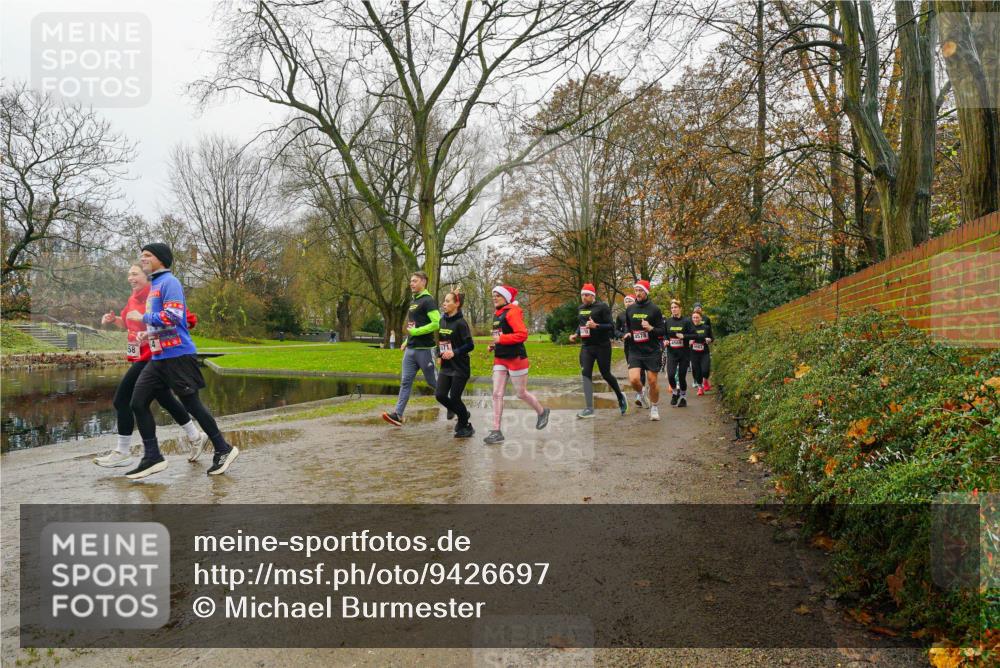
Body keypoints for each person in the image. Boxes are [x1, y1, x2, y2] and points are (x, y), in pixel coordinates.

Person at [125, 243, 239, 479]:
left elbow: (176, 317)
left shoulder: (170, 282)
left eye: (147, 256)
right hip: (159, 358)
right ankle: (152, 457)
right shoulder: (155, 284)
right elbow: (166, 324)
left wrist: (143, 316)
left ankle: (223, 448)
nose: (142, 259)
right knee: (137, 402)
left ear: (161, 259)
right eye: (142, 255)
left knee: (192, 404)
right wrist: (149, 333)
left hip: (178, 356)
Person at [92, 264, 207, 468]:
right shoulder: (133, 298)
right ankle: (195, 435)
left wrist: (157, 332)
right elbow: (129, 323)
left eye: (135, 274)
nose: (130, 278)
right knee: (165, 399)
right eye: (128, 274)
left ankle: (124, 451)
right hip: (145, 358)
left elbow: (186, 319)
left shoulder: (158, 294)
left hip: (155, 357)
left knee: (122, 400)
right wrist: (114, 320)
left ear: (147, 278)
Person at [484, 285, 550, 444]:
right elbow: (500, 335)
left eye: (498, 295)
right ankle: (496, 430)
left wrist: (502, 340)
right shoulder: (496, 313)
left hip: (516, 358)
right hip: (500, 357)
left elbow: (522, 334)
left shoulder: (512, 312)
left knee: (520, 393)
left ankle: (542, 412)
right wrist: (495, 344)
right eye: (493, 295)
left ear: (506, 298)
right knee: (496, 394)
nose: (494, 297)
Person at [382, 272, 440, 426]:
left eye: (414, 281)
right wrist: (408, 340)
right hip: (411, 350)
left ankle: (454, 403)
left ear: (423, 282)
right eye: (411, 281)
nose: (411, 284)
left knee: (433, 382)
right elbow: (415, 324)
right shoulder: (414, 301)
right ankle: (398, 415)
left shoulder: (428, 301)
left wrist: (415, 333)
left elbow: (436, 323)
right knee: (405, 382)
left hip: (425, 350)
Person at [569, 283, 627, 418]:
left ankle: (620, 396)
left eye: (587, 295)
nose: (584, 297)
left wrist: (596, 326)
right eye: (582, 294)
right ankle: (589, 408)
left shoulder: (602, 307)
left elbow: (611, 327)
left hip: (602, 346)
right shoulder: (581, 308)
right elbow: (581, 324)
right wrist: (576, 334)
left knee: (606, 374)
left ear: (593, 295)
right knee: (585, 374)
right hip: (587, 346)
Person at [624, 280, 666, 421]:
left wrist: (651, 328)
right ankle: (642, 395)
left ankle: (654, 407)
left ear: (646, 292)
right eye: (636, 290)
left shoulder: (654, 309)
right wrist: (627, 333)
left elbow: (662, 330)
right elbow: (627, 327)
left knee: (652, 381)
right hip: (635, 350)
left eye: (640, 290)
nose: (638, 293)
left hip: (651, 350)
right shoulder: (630, 309)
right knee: (634, 380)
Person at [435, 291, 475, 438]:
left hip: (460, 366)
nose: (444, 304)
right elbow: (441, 340)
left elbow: (470, 345)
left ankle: (466, 425)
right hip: (446, 366)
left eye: (447, 301)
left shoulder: (461, 323)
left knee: (455, 398)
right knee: (440, 395)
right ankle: (462, 413)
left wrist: (455, 352)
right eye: (444, 301)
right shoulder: (442, 320)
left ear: (456, 304)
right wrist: (440, 355)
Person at [664, 299, 695, 408]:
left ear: (680, 308)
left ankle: (683, 397)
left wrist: (684, 336)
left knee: (682, 377)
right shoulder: (668, 322)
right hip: (672, 352)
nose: (673, 309)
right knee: (671, 375)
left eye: (675, 307)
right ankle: (674, 393)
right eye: (672, 308)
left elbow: (694, 335)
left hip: (684, 353)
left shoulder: (687, 321)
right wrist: (665, 340)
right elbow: (664, 334)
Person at [617, 294, 646, 407]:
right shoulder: (621, 316)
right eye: (626, 301)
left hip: (641, 345)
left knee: (641, 369)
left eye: (630, 301)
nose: (628, 303)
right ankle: (641, 390)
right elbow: (615, 330)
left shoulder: (640, 313)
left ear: (634, 302)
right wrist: (623, 334)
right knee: (633, 370)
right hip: (629, 346)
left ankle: (640, 393)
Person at [689, 310, 713, 395]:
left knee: (705, 370)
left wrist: (709, 340)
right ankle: (700, 387)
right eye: (694, 317)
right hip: (694, 353)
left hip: (704, 352)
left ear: (701, 318)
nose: (695, 319)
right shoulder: (689, 328)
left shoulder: (706, 327)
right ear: (692, 319)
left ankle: (705, 381)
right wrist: (689, 341)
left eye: (697, 317)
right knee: (697, 371)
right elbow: (684, 338)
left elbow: (712, 338)